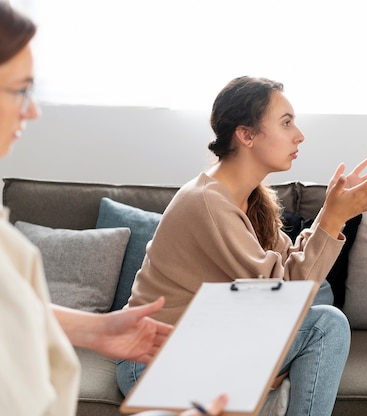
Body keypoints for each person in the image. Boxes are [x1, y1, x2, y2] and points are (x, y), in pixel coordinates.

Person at [117, 75, 367, 416]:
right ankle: (263, 387)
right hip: (153, 363)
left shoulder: (252, 202)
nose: (299, 135)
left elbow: (291, 276)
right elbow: (284, 298)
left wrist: (331, 214)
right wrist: (331, 219)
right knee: (325, 325)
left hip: (206, 348)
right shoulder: (207, 202)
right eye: (286, 123)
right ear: (246, 134)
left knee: (321, 305)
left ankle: (261, 387)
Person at [0, 3, 226, 415]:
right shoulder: (204, 198)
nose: (32, 110)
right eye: (20, 89)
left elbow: (9, 310)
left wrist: (96, 328)